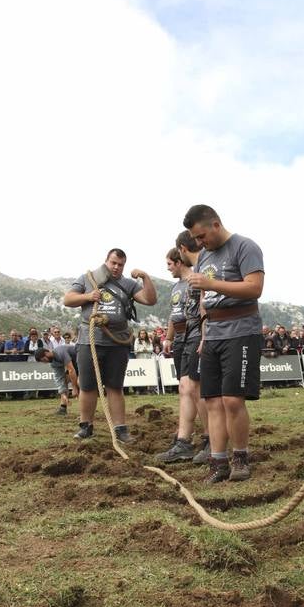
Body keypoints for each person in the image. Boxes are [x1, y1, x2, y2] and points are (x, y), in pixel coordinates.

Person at [183, 204, 264, 482]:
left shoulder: (245, 246)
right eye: (195, 238)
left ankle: (240, 457)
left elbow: (255, 288)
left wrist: (211, 284)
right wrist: (204, 335)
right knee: (212, 401)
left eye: (201, 236)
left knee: (232, 399)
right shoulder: (203, 255)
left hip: (242, 330)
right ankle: (218, 463)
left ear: (215, 225)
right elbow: (205, 299)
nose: (199, 242)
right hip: (214, 333)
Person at [63, 248, 157, 443]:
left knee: (115, 386)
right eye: (113, 263)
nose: (116, 267)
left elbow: (150, 300)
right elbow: (68, 299)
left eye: (120, 264)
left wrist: (146, 278)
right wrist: (88, 297)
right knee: (88, 386)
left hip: (117, 341)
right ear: (106, 261)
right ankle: (85, 426)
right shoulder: (87, 278)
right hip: (90, 340)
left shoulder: (129, 284)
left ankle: (121, 429)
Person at [156, 242, 210, 463]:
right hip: (179, 338)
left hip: (196, 334)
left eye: (169, 264)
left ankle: (210, 439)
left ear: (179, 261)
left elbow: (206, 307)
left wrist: (205, 334)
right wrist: (168, 338)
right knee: (184, 387)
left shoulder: (197, 278)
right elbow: (174, 313)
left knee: (195, 387)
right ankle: (184, 441)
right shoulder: (175, 287)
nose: (168, 268)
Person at [35, 344, 80, 415]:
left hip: (82, 360)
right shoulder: (53, 363)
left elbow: (71, 370)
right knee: (64, 381)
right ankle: (63, 408)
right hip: (74, 365)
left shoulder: (60, 352)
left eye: (44, 360)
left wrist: (74, 388)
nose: (45, 362)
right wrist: (63, 394)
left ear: (47, 353)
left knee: (79, 382)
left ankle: (87, 410)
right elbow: (59, 378)